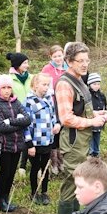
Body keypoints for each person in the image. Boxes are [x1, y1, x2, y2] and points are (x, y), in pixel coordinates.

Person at [55, 42, 107, 214]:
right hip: (72, 140)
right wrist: (91, 123)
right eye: (80, 61)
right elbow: (66, 118)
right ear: (69, 61)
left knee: (79, 175)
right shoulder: (64, 84)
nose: (85, 64)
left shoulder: (80, 80)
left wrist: (95, 115)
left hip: (83, 139)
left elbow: (82, 109)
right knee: (73, 178)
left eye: (87, 60)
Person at [0, 74, 32, 212]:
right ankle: (0, 199)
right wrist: (19, 123)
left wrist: (11, 121)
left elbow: (27, 119)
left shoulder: (16, 101)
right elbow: (1, 127)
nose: (7, 90)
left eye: (9, 87)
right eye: (4, 88)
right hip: (4, 145)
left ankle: (6, 197)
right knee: (4, 173)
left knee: (12, 172)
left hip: (18, 144)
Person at [24, 73, 60, 205]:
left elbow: (53, 116)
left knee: (45, 165)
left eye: (47, 85)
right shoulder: (29, 101)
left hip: (47, 140)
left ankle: (44, 191)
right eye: (44, 84)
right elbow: (25, 125)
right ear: (35, 85)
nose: (46, 87)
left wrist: (56, 124)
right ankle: (34, 192)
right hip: (35, 142)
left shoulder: (49, 98)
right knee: (35, 167)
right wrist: (29, 144)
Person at [42, 45, 67, 176]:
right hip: (52, 104)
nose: (58, 58)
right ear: (51, 57)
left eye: (60, 55)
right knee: (54, 132)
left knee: (62, 132)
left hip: (65, 103)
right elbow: (42, 84)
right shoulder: (47, 69)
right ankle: (53, 162)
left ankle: (61, 159)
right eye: (55, 56)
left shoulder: (67, 68)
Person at [87, 73, 107, 157]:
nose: (96, 86)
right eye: (94, 84)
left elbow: (104, 105)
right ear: (89, 84)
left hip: (100, 121)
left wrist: (105, 112)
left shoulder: (101, 95)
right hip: (91, 122)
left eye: (98, 84)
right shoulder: (88, 95)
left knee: (97, 136)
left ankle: (96, 152)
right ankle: (91, 153)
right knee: (90, 138)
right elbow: (87, 109)